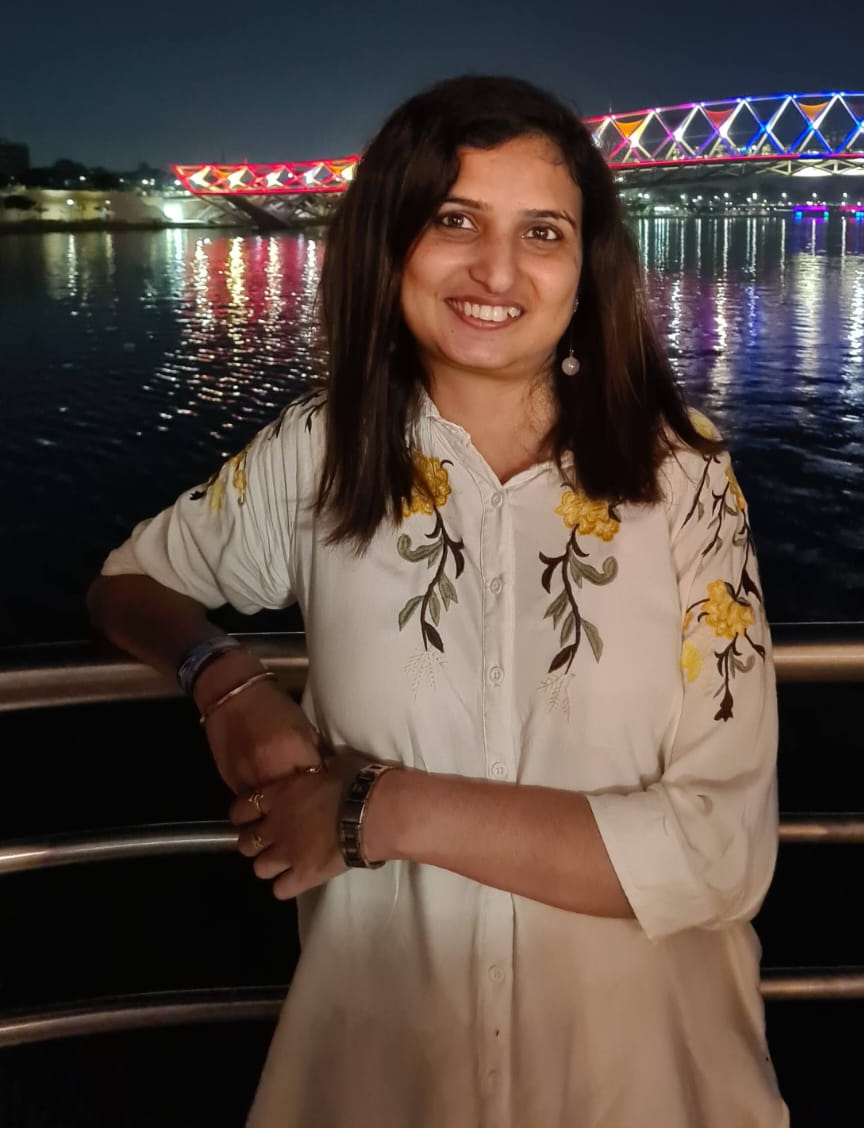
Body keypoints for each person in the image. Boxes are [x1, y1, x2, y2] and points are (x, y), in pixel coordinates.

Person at [88, 75, 786, 1128]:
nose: (496, 269)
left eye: (541, 231)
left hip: (649, 1086)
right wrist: (226, 682)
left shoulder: (678, 473)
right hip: (377, 1082)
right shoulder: (322, 452)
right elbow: (126, 582)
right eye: (454, 218)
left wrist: (374, 812)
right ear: (392, 241)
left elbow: (722, 853)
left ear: (586, 266)